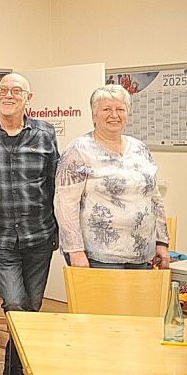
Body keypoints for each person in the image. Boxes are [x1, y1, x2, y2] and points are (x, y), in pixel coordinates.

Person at [0, 73, 59, 375]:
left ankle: (13, 365)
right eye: (3, 90)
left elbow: (53, 184)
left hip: (39, 234)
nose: (8, 95)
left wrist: (58, 233)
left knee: (32, 307)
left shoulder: (46, 133)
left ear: (28, 98)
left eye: (16, 90)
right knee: (14, 302)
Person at [55, 84, 169, 270]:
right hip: (98, 257)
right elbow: (65, 206)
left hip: (142, 254)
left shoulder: (140, 148)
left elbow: (155, 198)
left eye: (120, 109)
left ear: (127, 114)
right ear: (94, 115)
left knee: (138, 301)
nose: (114, 115)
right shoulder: (78, 151)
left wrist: (162, 242)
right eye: (106, 109)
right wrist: (74, 251)